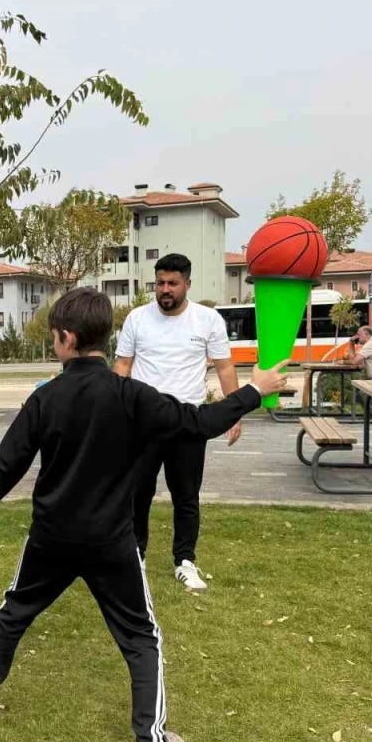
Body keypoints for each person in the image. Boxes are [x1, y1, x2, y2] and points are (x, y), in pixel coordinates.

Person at [0, 287, 290, 742]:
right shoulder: (132, 396)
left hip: (52, 539)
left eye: (53, 336)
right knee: (140, 638)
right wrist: (253, 391)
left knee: (13, 614)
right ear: (102, 338)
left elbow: (9, 464)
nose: (53, 343)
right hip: (111, 542)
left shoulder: (46, 397)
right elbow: (199, 422)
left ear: (66, 338)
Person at [114, 253, 240, 592]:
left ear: (187, 284)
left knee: (186, 496)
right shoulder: (137, 319)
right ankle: (135, 555)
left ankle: (185, 562)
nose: (165, 290)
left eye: (172, 283)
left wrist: (234, 413)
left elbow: (225, 368)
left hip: (188, 422)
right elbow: (122, 366)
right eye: (160, 283)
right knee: (138, 492)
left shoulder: (208, 320)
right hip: (143, 422)